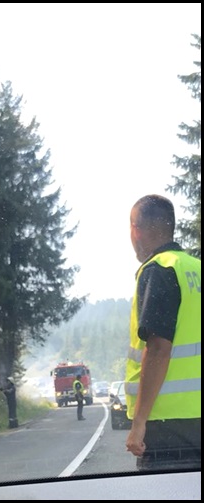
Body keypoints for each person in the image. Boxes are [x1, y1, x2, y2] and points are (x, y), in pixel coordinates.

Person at [125, 194, 201, 471]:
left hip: (168, 426)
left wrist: (139, 422)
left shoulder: (160, 269)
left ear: (136, 229)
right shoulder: (196, 269)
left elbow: (158, 347)